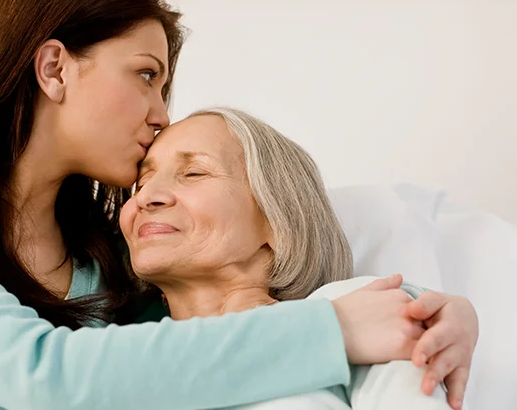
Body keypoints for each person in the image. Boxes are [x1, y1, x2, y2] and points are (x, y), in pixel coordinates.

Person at [0, 0, 478, 410]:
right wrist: (335, 331)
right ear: (54, 69)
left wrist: (433, 308)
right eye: (146, 75)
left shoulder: (111, 274)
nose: (161, 114)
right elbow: (38, 374)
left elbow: (224, 311)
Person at [120, 108, 471, 409]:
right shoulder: (117, 359)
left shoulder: (351, 311)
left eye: (194, 172)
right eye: (141, 182)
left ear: (277, 220)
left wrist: (422, 306)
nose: (147, 196)